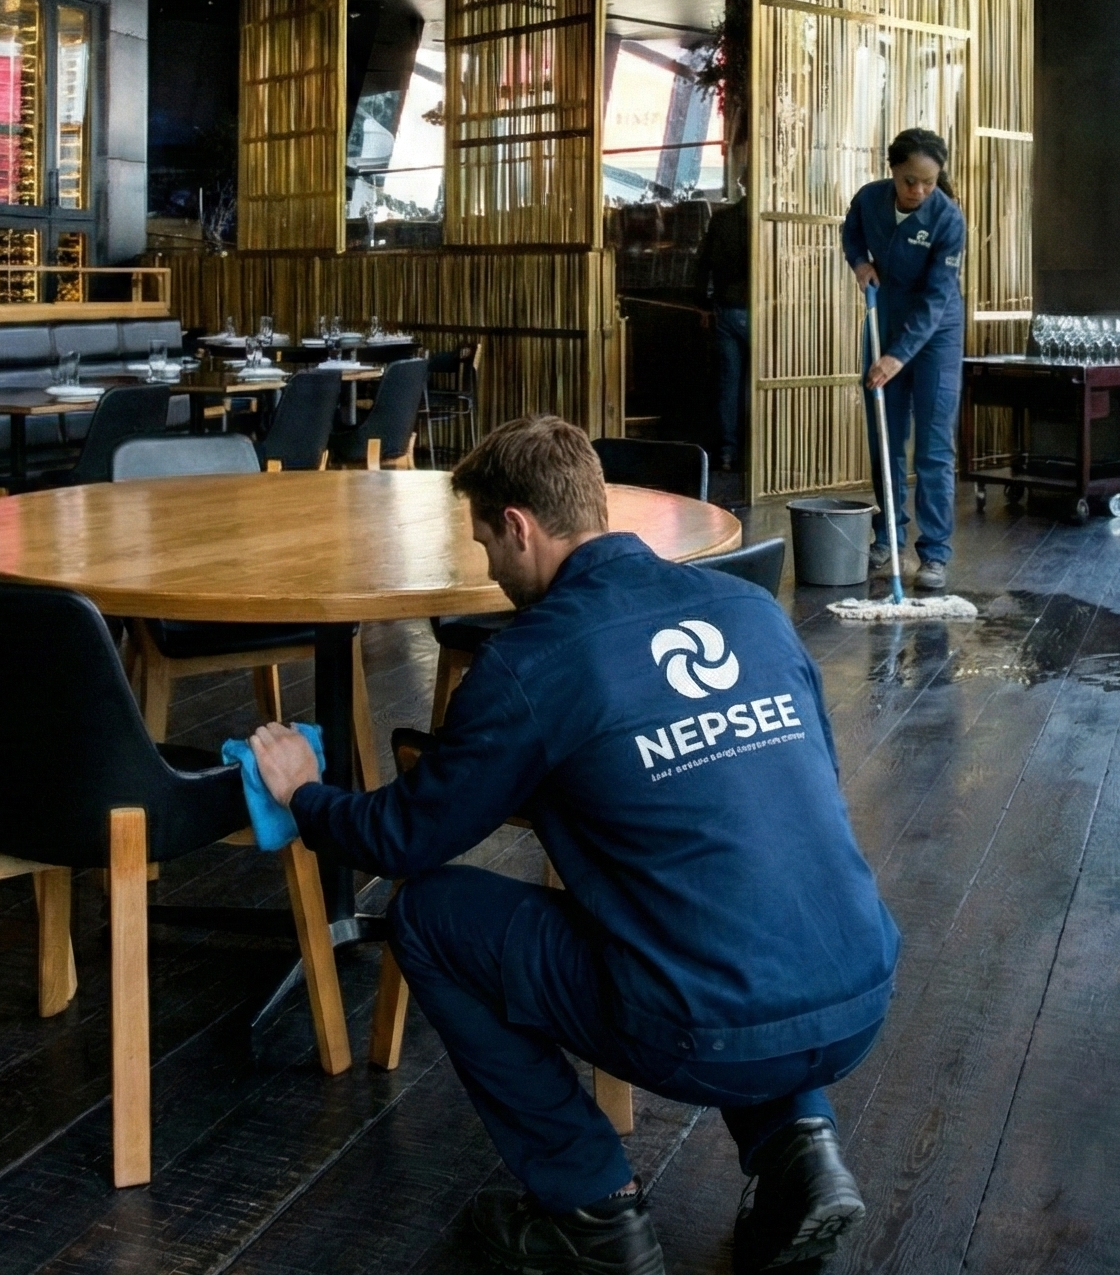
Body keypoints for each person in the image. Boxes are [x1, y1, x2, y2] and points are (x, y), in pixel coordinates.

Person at [247, 416, 897, 1275]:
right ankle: (801, 1149)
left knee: (432, 915)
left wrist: (303, 793)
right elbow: (808, 782)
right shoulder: (751, 609)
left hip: (704, 1030)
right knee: (747, 875)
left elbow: (404, 837)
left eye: (486, 542)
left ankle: (592, 1207)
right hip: (860, 992)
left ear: (520, 524)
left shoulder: (531, 662)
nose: (486, 568)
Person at [841, 128, 966, 588]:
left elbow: (936, 301)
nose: (918, 191)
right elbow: (851, 233)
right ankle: (887, 538)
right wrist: (859, 264)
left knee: (933, 447)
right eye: (910, 180)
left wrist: (897, 357)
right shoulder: (871, 199)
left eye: (928, 182)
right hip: (885, 319)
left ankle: (934, 553)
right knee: (885, 439)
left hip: (936, 334)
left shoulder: (948, 220)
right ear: (892, 171)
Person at [697, 189, 750, 472]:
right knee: (758, 383)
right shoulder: (764, 219)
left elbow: (703, 263)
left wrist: (702, 304)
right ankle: (757, 450)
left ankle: (728, 453)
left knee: (729, 384)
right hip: (758, 309)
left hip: (726, 309)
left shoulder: (722, 220)